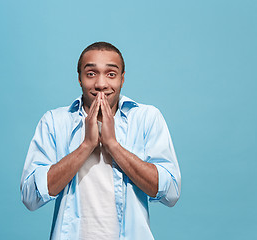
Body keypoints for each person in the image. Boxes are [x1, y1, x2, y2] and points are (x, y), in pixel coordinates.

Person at [20, 42, 181, 240]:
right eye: (91, 74)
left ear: (122, 79)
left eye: (111, 74)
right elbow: (30, 197)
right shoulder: (54, 121)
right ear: (79, 78)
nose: (101, 84)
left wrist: (113, 145)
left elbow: (171, 193)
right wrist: (86, 146)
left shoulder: (147, 118)